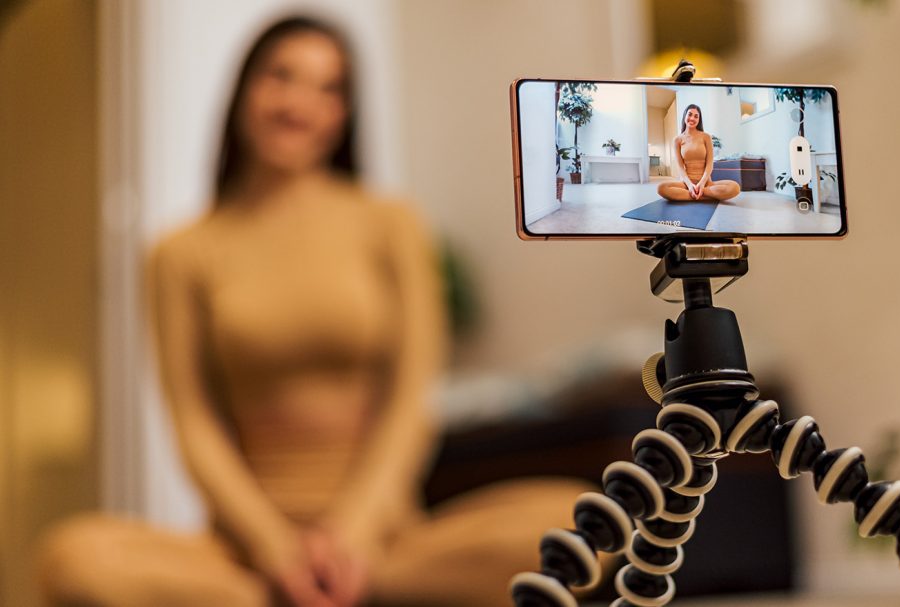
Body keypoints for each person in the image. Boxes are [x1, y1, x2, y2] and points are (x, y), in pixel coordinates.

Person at [35, 16, 597, 607]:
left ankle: (346, 588)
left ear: (345, 112)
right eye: (282, 76)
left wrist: (352, 536)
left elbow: (411, 396)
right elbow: (194, 422)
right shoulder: (180, 252)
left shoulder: (391, 223)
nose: (300, 102)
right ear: (245, 88)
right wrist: (274, 548)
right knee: (73, 559)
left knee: (583, 522)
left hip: (386, 540)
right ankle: (303, 590)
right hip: (243, 553)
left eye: (329, 88)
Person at [657, 103, 740, 202]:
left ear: (699, 120)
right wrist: (690, 185)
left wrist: (701, 184)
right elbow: (680, 168)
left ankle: (698, 193)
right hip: (686, 183)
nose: (692, 118)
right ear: (685, 116)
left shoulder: (706, 137)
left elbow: (710, 164)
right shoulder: (677, 140)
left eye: (696, 116)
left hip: (705, 182)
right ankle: (702, 195)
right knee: (661, 188)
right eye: (690, 114)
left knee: (734, 187)